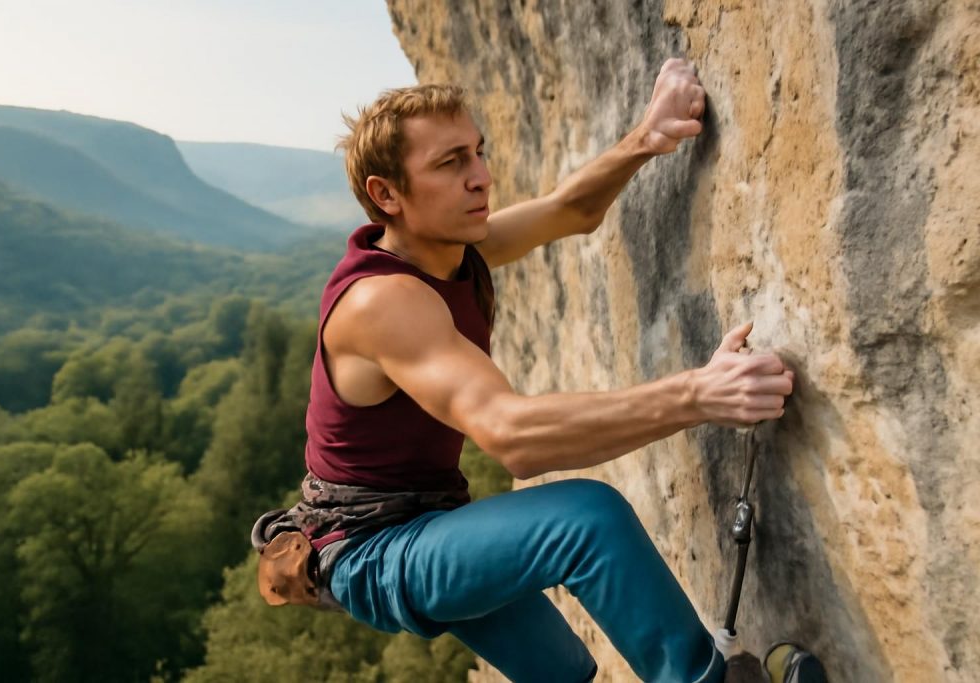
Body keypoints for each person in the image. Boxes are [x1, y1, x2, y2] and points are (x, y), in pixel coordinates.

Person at [253, 59, 826, 683]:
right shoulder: (382, 302)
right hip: (374, 552)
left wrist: (649, 136)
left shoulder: (449, 252)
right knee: (587, 520)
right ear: (387, 194)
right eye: (450, 164)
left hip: (425, 520)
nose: (481, 177)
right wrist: (699, 394)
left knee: (561, 671)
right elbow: (513, 439)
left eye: (477, 152)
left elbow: (569, 210)